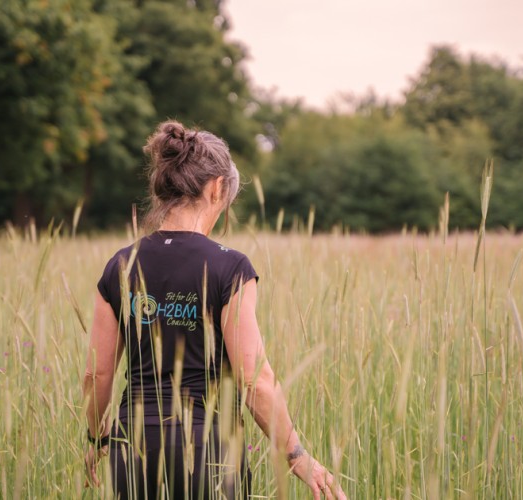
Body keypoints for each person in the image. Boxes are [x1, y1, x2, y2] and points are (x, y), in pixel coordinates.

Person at [82, 120, 346, 499]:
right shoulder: (230, 267)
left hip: (132, 448)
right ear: (217, 187)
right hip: (211, 450)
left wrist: (95, 437)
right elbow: (254, 380)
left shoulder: (120, 265)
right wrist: (295, 453)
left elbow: (97, 372)